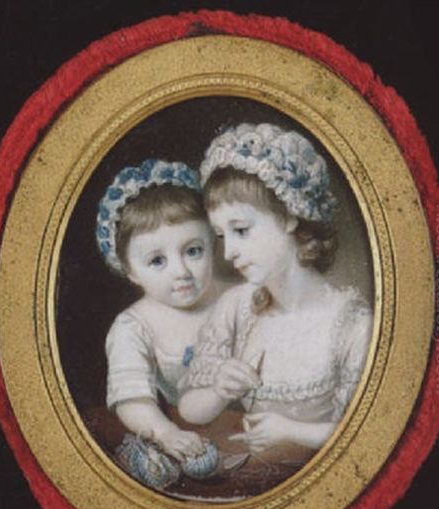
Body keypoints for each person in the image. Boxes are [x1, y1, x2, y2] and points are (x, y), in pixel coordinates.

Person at [178, 123, 373, 456]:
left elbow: (369, 434)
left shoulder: (353, 323)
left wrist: (291, 431)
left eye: (241, 230)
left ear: (288, 217)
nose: (229, 253)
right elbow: (189, 410)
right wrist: (219, 390)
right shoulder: (236, 307)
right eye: (222, 236)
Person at [96, 159, 225, 470]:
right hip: (192, 434)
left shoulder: (238, 295)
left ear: (211, 242)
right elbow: (132, 399)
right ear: (130, 270)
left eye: (193, 251)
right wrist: (167, 433)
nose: (181, 272)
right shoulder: (133, 326)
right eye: (157, 261)